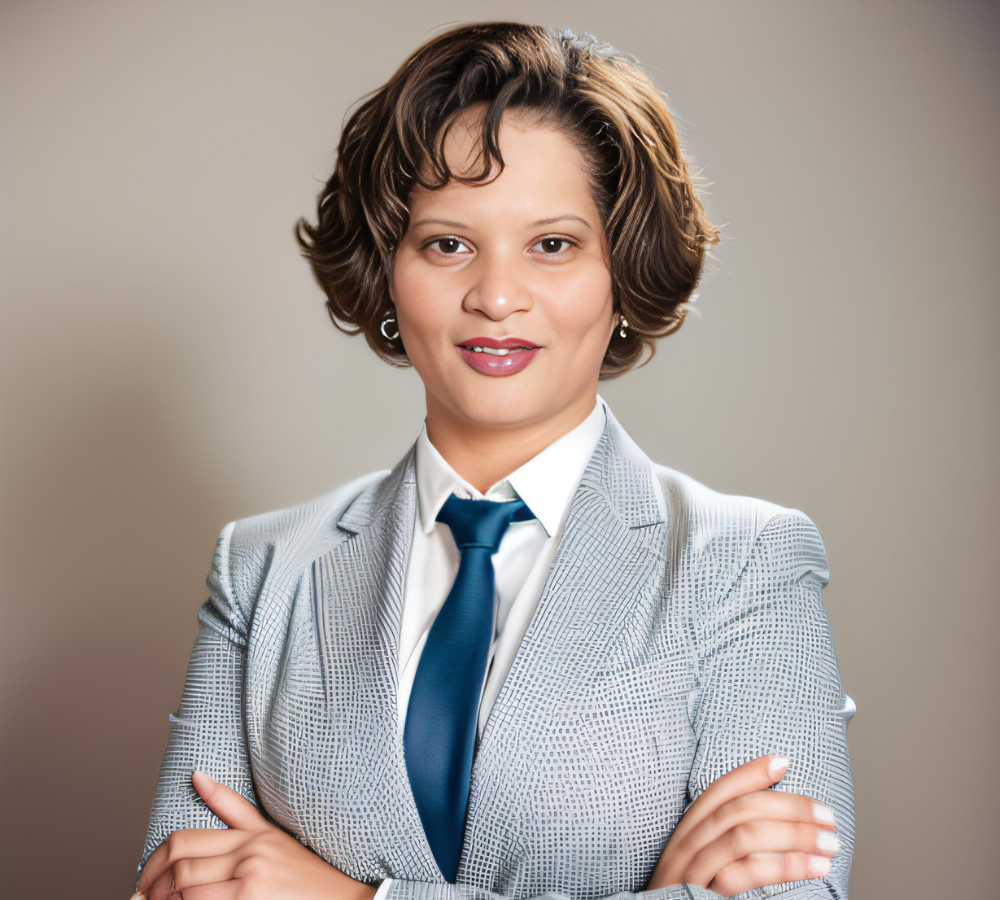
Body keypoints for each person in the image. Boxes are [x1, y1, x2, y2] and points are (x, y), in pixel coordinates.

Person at [132, 21, 856, 900]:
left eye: (553, 244)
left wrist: (353, 899)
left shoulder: (745, 564)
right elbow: (177, 890)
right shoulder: (263, 568)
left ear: (621, 275)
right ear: (389, 273)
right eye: (447, 243)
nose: (497, 296)